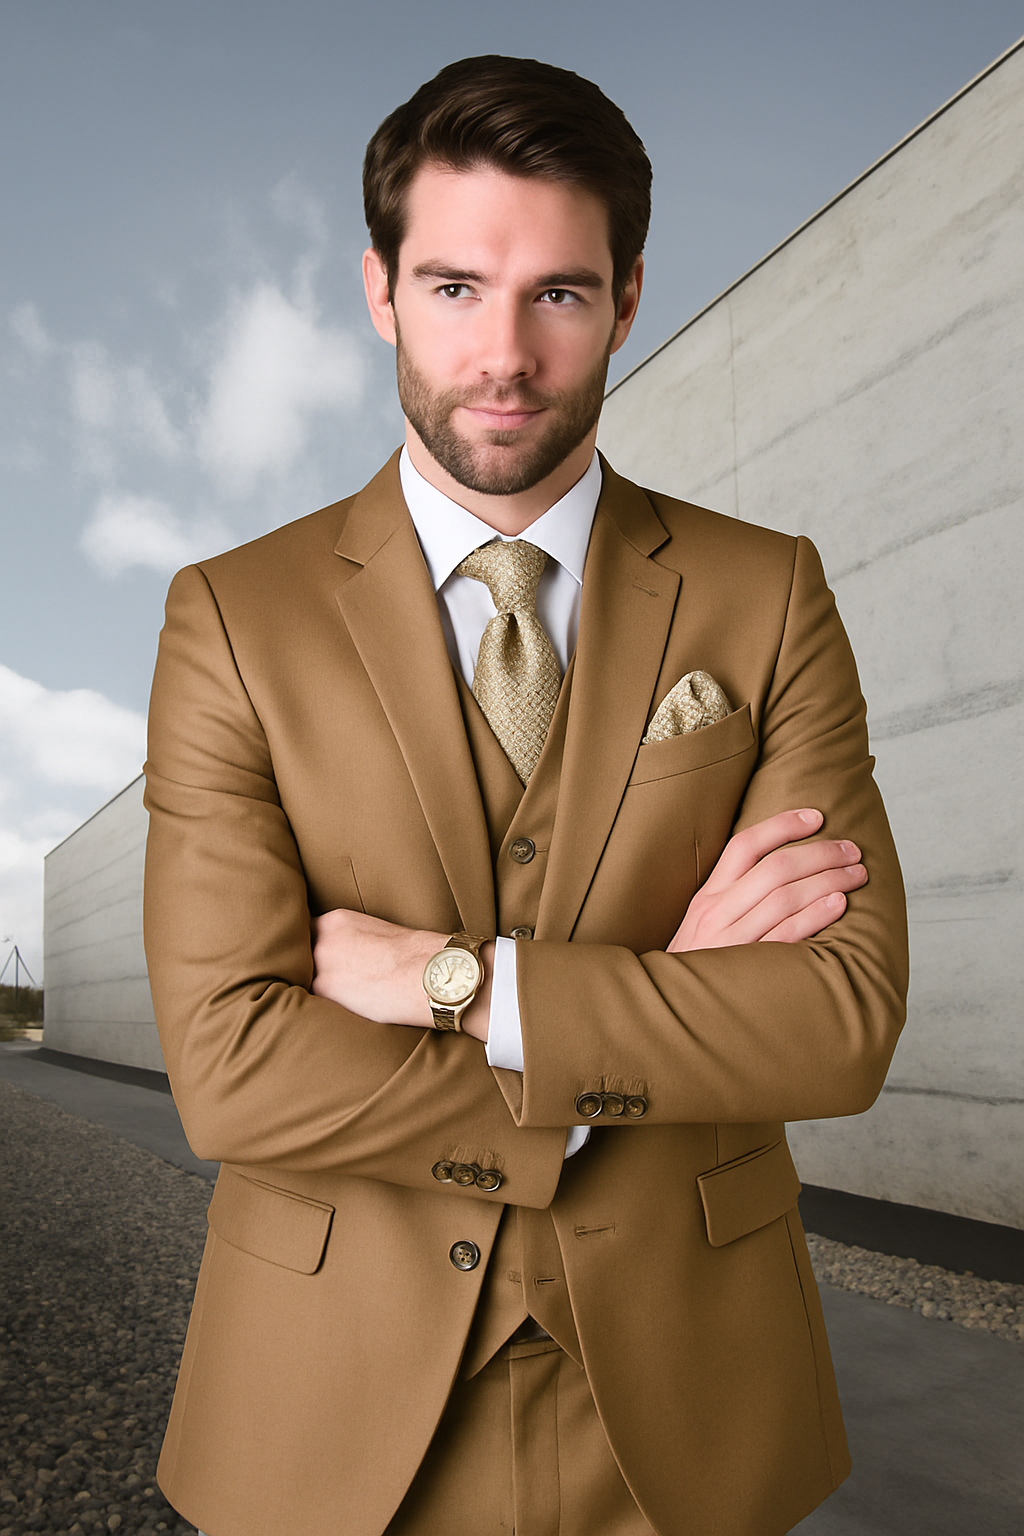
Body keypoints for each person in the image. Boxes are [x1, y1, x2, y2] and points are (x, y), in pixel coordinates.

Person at [143, 54, 908, 1536]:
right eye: (452, 289)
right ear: (378, 292)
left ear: (626, 300)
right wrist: (665, 1005)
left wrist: (459, 984)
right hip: (324, 1404)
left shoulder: (768, 593)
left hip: (696, 1404)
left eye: (557, 292)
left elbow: (837, 1022)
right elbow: (229, 1064)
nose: (503, 353)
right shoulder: (232, 617)